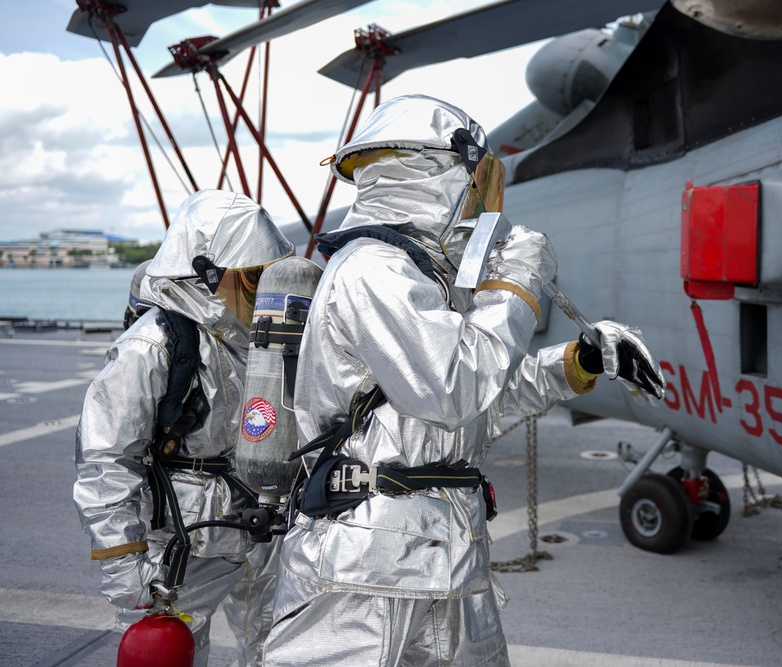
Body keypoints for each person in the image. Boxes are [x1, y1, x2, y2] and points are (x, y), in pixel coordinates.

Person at [260, 95, 664, 666]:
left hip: (446, 557)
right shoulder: (374, 269)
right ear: (443, 174)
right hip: (366, 574)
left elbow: (476, 414)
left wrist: (577, 363)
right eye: (482, 176)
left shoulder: (427, 281)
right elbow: (456, 391)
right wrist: (518, 280)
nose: (489, 196)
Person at [73, 189, 295, 667]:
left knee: (282, 649)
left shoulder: (269, 337)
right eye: (255, 276)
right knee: (170, 655)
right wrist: (123, 564)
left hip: (269, 527)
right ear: (209, 274)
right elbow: (105, 459)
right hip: (185, 538)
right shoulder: (153, 346)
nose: (266, 289)